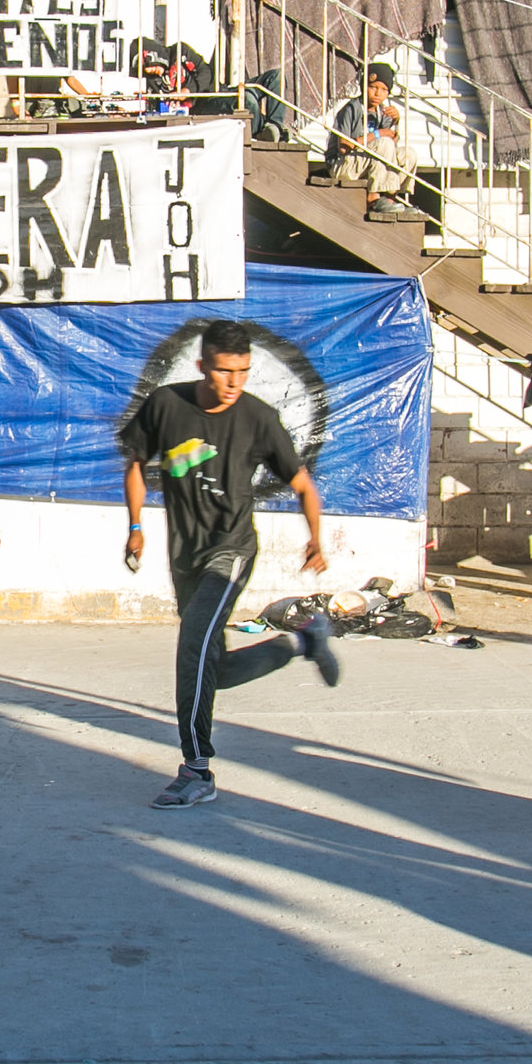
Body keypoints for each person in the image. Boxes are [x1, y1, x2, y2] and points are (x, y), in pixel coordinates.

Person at [120, 318, 336, 810]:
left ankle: (196, 770)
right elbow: (135, 463)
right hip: (185, 557)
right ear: (202, 367)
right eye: (223, 371)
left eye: (243, 371)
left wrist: (316, 539)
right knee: (214, 668)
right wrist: (135, 526)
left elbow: (302, 483)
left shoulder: (259, 418)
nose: (234, 382)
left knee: (190, 653)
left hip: (232, 550)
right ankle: (304, 639)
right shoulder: (166, 405)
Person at [326, 64, 412, 217]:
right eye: (373, 87)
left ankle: (390, 198)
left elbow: (390, 146)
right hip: (342, 164)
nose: (378, 93)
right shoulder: (352, 108)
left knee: (408, 153)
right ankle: (373, 198)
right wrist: (377, 135)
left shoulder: (382, 111)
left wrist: (395, 123)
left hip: (364, 164)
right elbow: (344, 147)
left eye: (384, 90)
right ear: (364, 87)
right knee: (383, 143)